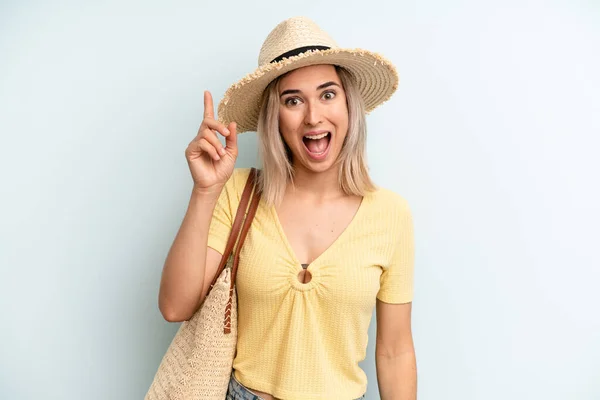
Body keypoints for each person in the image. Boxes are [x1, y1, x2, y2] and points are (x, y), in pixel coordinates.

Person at [158, 16, 416, 400]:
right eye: (292, 100)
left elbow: (395, 352)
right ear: (274, 118)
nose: (313, 116)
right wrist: (204, 191)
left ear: (348, 104)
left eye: (327, 94)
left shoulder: (390, 214)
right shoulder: (238, 192)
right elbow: (175, 307)